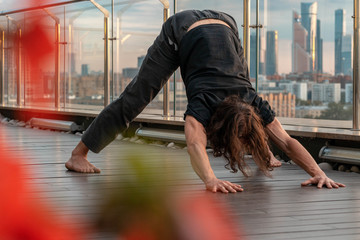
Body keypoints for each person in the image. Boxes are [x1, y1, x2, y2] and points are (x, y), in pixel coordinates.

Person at [65, 10, 345, 193]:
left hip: (227, 26)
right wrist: (211, 180)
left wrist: (319, 173)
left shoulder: (252, 99)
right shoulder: (203, 104)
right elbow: (195, 144)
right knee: (136, 97)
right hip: (182, 29)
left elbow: (286, 142)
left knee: (256, 117)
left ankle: (264, 155)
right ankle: (78, 155)